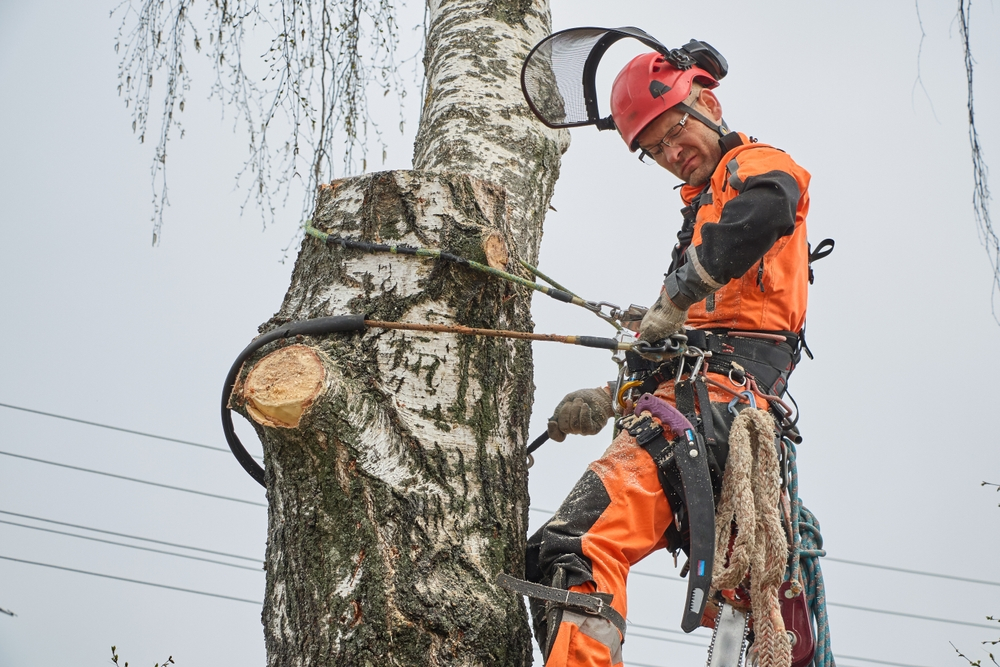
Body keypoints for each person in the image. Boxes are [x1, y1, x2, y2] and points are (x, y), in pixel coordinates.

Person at [522, 50, 813, 667]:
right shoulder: (699, 218)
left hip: (716, 410)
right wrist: (610, 398)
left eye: (675, 132)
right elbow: (670, 347)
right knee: (745, 616)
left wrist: (683, 288)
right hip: (702, 412)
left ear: (705, 103)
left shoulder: (754, 167)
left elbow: (769, 207)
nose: (672, 153)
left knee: (575, 546)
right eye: (655, 149)